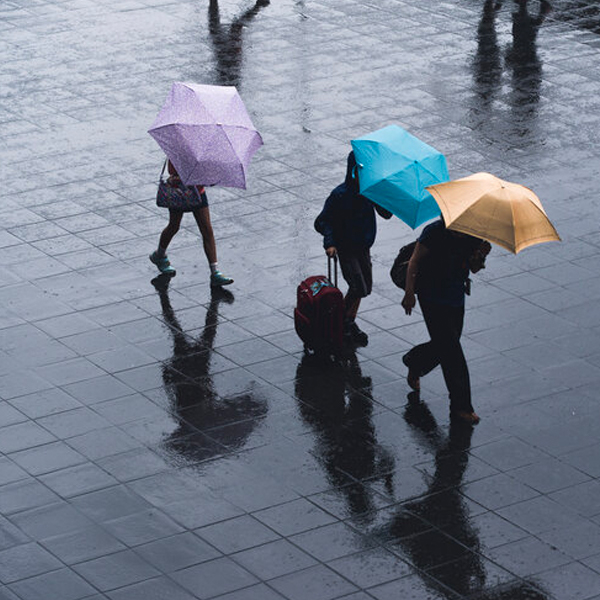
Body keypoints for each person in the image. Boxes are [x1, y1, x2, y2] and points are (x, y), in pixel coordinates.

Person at [401, 219, 491, 424]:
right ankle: (461, 406)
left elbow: (474, 268)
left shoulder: (473, 234)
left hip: (455, 297)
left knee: (447, 344)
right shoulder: (433, 232)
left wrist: (481, 254)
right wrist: (409, 292)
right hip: (431, 297)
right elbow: (414, 261)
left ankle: (415, 361)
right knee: (452, 352)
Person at [314, 151, 392, 346]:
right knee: (358, 286)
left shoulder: (369, 193)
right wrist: (330, 243)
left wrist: (384, 195)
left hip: (363, 247)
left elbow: (386, 213)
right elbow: (323, 221)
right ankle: (341, 321)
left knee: (365, 288)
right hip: (347, 248)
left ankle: (348, 321)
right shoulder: (340, 195)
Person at [149, 160, 233, 287]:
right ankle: (159, 255)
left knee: (206, 230)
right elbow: (172, 171)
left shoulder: (201, 150)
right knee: (174, 226)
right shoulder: (178, 148)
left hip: (198, 192)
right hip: (179, 193)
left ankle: (215, 272)